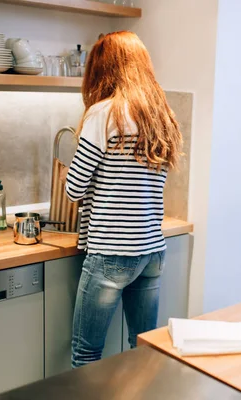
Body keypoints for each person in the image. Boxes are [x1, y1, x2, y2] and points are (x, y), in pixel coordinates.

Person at [64, 31, 183, 368]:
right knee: (143, 351)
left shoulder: (103, 114)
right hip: (151, 252)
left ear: (102, 69)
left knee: (86, 355)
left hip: (112, 253)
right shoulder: (158, 114)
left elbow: (74, 188)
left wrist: (67, 174)